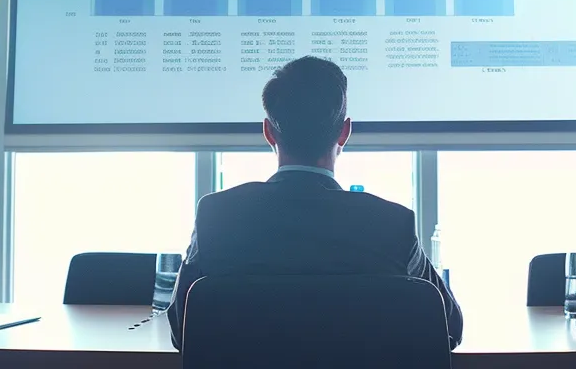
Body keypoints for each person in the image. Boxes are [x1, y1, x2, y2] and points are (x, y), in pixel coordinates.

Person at [165, 56, 463, 349]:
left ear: (269, 132)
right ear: (345, 132)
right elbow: (449, 326)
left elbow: (182, 330)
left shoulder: (218, 216)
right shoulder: (392, 224)